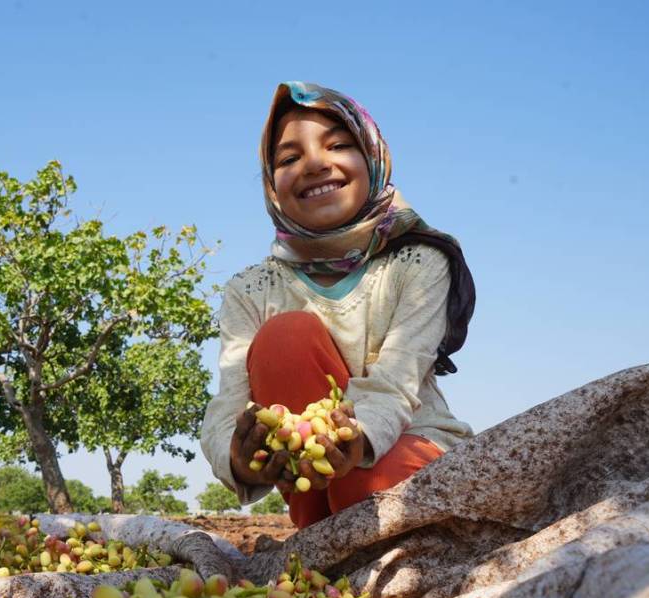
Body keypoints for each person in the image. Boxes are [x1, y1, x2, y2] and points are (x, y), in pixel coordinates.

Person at [200, 81, 476, 529]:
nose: (313, 163)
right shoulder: (250, 290)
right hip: (312, 488)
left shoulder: (419, 261)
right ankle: (320, 528)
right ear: (272, 187)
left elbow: (395, 384)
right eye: (289, 158)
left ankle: (352, 520)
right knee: (286, 337)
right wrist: (238, 456)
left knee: (368, 483)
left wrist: (355, 440)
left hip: (407, 443)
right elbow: (229, 404)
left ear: (372, 158)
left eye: (338, 145)